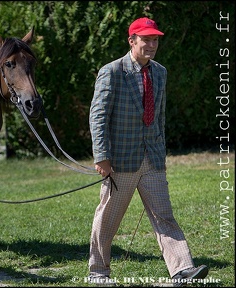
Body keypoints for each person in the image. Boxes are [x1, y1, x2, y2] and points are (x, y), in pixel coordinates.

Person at [87, 17, 209, 286]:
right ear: (132, 41)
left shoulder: (160, 71)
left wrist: (160, 154)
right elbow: (98, 116)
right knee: (108, 219)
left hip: (152, 159)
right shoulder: (112, 71)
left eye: (155, 40)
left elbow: (159, 117)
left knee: (164, 215)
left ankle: (182, 270)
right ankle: (98, 272)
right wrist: (102, 157)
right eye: (146, 39)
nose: (152, 44)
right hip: (120, 161)